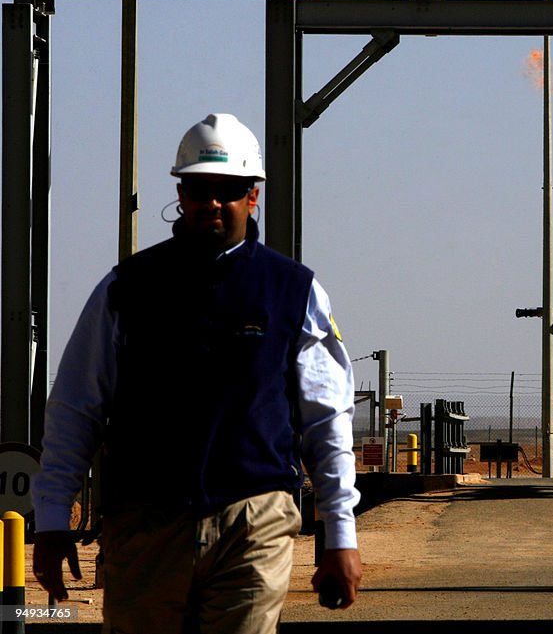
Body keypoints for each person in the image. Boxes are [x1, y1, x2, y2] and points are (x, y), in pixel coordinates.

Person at [31, 113, 362, 634]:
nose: (212, 202)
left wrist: (340, 534)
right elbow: (76, 408)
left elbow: (327, 420)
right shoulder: (127, 290)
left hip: (254, 523)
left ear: (252, 196)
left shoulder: (293, 291)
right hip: (146, 527)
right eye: (198, 189)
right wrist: (52, 519)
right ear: (181, 195)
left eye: (226, 190)